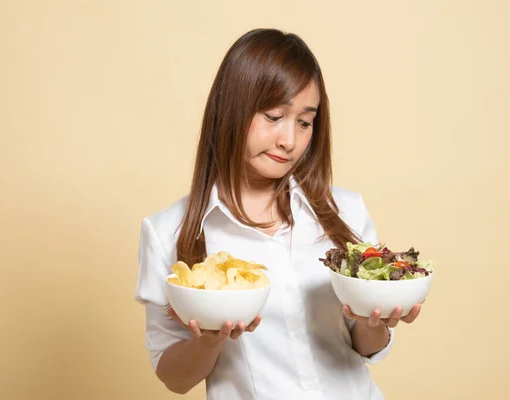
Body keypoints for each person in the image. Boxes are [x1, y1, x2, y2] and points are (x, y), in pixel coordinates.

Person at [135, 28, 423, 400]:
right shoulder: (167, 232)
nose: (290, 140)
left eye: (304, 122)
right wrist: (208, 341)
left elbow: (366, 348)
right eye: (273, 116)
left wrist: (376, 321)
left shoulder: (345, 211)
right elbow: (174, 377)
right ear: (230, 109)